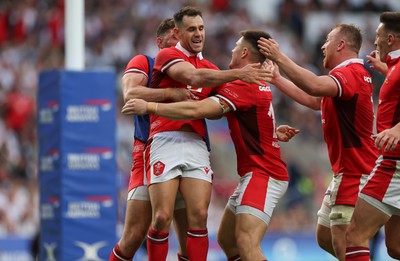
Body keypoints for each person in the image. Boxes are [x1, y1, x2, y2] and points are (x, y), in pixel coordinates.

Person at [122, 29, 299, 261]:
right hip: (252, 173)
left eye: (236, 46)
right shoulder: (245, 84)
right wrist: (272, 133)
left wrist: (150, 107)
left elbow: (197, 109)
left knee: (246, 241)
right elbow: (251, 118)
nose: (232, 49)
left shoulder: (242, 85)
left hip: (264, 174)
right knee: (227, 240)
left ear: (244, 52)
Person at [258, 24, 378, 261]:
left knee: (345, 239)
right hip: (348, 170)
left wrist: (279, 57)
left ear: (341, 45)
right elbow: (315, 99)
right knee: (324, 235)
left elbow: (313, 85)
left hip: (356, 172)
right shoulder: (344, 79)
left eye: (328, 40)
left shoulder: (351, 73)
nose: (323, 46)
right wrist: (277, 79)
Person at [109, 18, 194, 261]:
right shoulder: (144, 62)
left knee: (190, 236)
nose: (180, 42)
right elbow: (130, 93)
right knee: (135, 234)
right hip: (149, 149)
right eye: (174, 37)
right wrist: (170, 93)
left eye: (183, 36)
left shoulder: (194, 71)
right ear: (160, 42)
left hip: (188, 152)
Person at [345, 12, 400, 261]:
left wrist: (398, 129)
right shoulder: (395, 68)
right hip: (393, 161)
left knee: (354, 235)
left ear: (390, 38)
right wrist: (386, 70)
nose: (375, 42)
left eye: (378, 37)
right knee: (395, 247)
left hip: (394, 164)